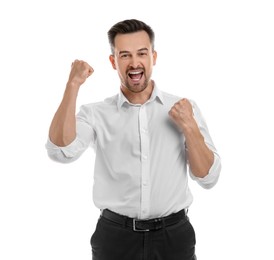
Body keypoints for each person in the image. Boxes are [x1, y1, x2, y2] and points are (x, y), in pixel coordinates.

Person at [46, 19, 221, 260]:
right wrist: (73, 84)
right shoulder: (96, 113)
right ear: (113, 61)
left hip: (174, 237)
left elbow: (208, 178)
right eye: (125, 55)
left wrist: (189, 127)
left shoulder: (183, 108)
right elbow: (60, 151)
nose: (134, 63)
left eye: (142, 53)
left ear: (154, 57)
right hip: (115, 238)